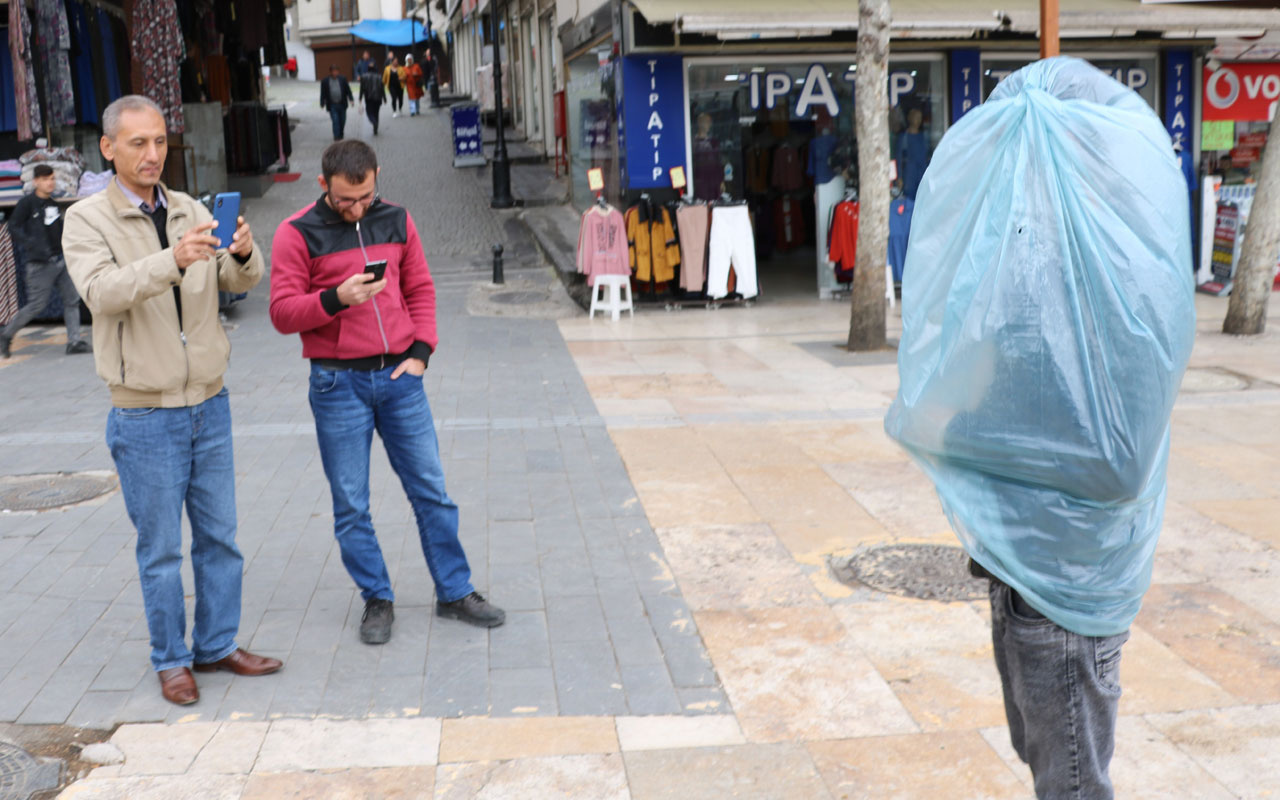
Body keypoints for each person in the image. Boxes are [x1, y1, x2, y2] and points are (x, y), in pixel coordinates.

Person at [884, 58, 1196, 800]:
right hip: (1026, 573)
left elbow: (1111, 457)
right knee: (1047, 756)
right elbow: (995, 380)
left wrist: (964, 437)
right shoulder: (1048, 269)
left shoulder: (1113, 293)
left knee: (1074, 780)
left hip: (1067, 586)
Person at [62, 95, 281, 706]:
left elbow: (238, 283)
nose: (153, 153)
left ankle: (216, 645)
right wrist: (171, 259)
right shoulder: (86, 220)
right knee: (161, 550)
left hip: (210, 402)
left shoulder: (189, 208)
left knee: (221, 538)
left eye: (159, 141)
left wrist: (241, 251)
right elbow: (102, 293)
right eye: (137, 143)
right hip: (144, 412)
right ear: (108, 148)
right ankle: (172, 660)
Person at [268, 140, 504, 645]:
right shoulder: (295, 234)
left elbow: (420, 287)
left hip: (400, 378)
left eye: (365, 196)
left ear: (377, 176)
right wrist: (335, 298)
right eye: (343, 200)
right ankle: (377, 598)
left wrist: (421, 352)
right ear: (322, 186)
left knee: (432, 492)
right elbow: (283, 313)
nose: (355, 208)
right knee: (351, 504)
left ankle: (455, 591)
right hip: (337, 383)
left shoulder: (397, 218)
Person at [0, 164, 90, 358]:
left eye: (52, 179)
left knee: (72, 299)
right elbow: (13, 226)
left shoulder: (53, 203)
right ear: (36, 182)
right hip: (40, 264)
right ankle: (6, 334)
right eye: (46, 179)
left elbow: (56, 228)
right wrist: (30, 244)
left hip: (60, 260)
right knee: (36, 305)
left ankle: (74, 341)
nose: (51, 183)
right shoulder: (27, 203)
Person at [320, 64, 355, 141]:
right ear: (331, 72)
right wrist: (322, 102)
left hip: (342, 104)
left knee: (342, 121)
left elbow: (348, 90)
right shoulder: (325, 81)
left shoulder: (343, 79)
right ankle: (336, 137)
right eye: (334, 71)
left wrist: (351, 99)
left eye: (337, 71)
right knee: (335, 121)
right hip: (332, 104)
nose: (335, 73)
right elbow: (323, 93)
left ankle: (341, 133)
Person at [360, 64, 386, 137]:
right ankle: (376, 127)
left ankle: (374, 122)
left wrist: (360, 97)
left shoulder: (364, 76)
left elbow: (362, 88)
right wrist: (384, 98)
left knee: (369, 113)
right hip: (378, 98)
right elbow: (382, 88)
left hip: (369, 98)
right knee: (376, 113)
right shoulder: (379, 76)